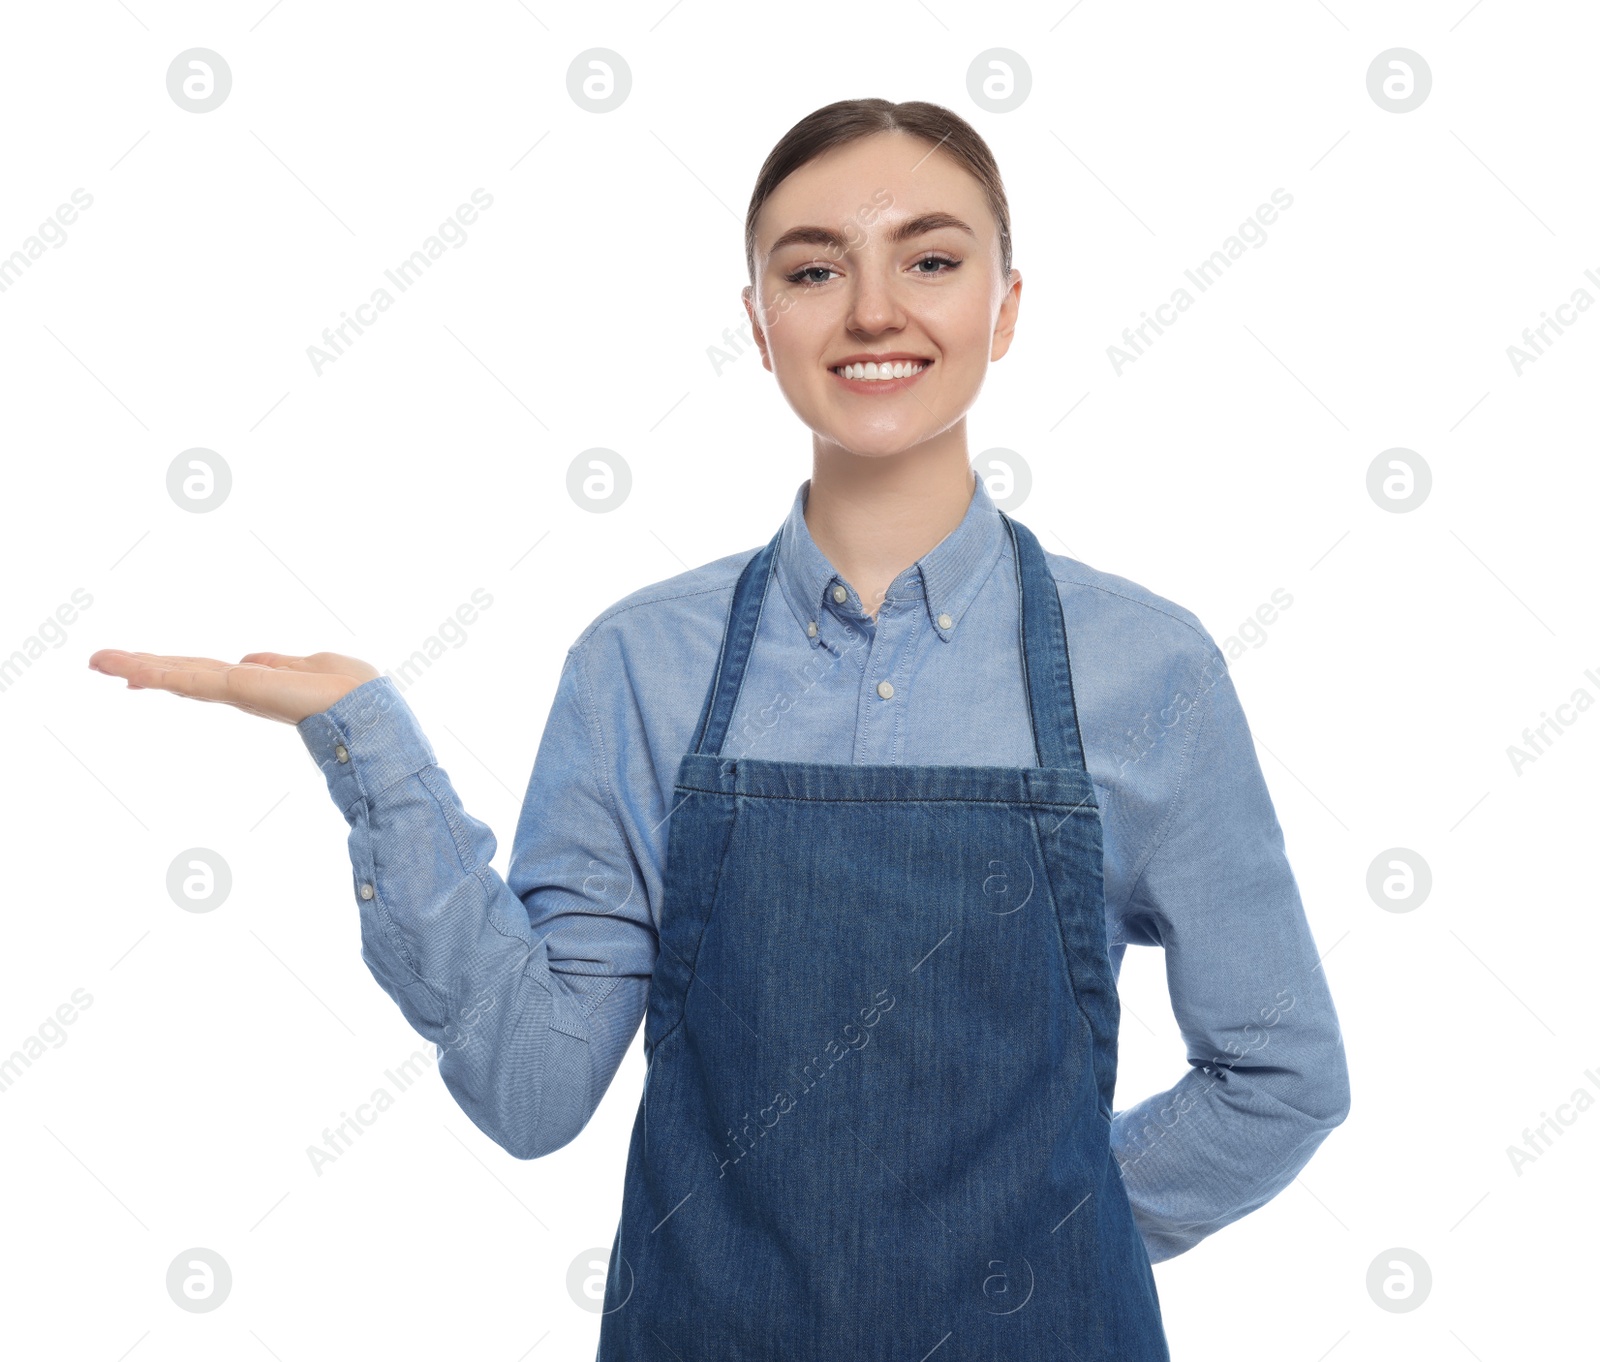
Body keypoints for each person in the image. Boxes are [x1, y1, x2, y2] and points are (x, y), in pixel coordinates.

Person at [89, 97, 1349, 1360]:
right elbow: (532, 1084)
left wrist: (1035, 1234)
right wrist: (370, 751)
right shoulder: (641, 666)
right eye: (813, 268)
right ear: (758, 321)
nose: (872, 310)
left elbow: (1280, 1075)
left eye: (930, 259)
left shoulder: (1147, 667)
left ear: (1005, 306)